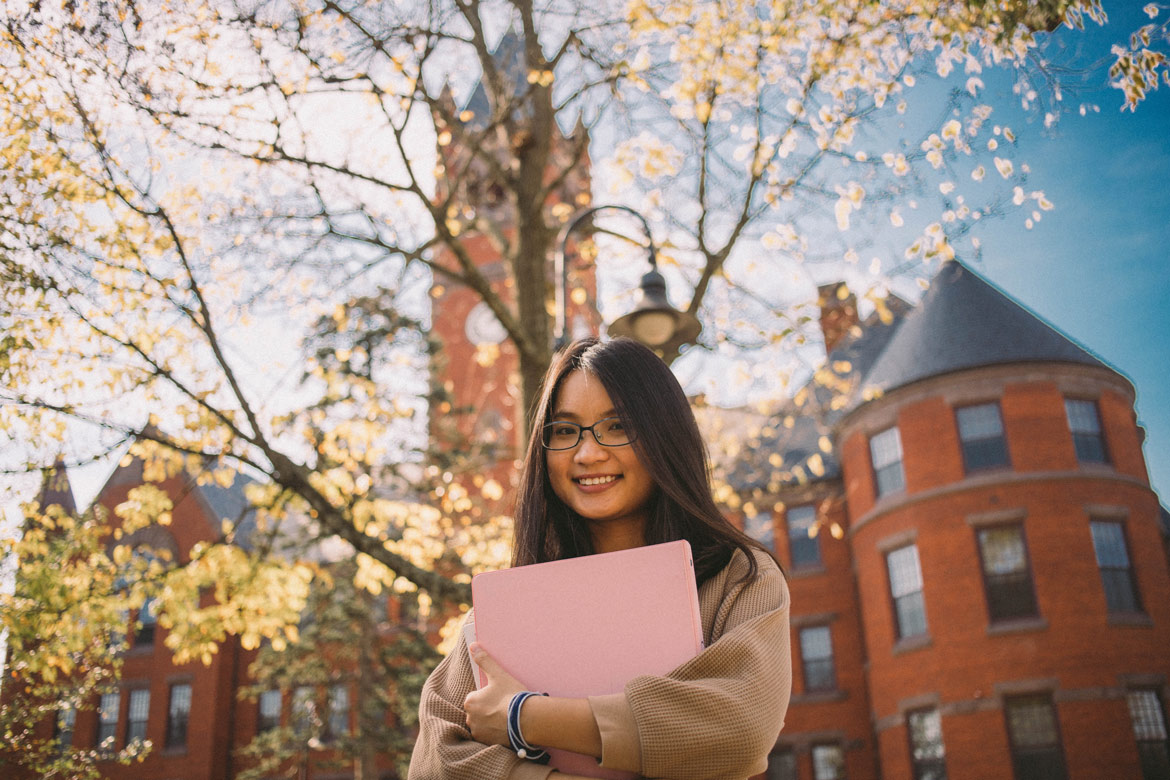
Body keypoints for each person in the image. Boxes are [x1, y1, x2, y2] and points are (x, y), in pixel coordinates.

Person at [408, 337, 791, 780]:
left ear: (664, 436)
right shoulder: (505, 608)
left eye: (617, 426)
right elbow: (435, 760)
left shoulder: (739, 579)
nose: (588, 454)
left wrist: (523, 717)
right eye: (566, 431)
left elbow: (739, 726)